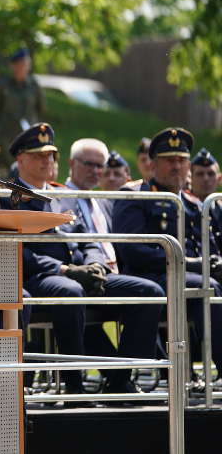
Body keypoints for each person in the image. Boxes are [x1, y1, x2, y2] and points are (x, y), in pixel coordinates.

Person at [0, 124, 163, 402]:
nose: (47, 161)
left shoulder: (62, 194)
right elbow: (15, 251)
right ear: (20, 159)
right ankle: (74, 384)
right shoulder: (7, 199)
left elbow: (87, 239)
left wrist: (95, 264)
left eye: (51, 156)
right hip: (39, 277)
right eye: (38, 155)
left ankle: (119, 379)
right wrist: (65, 270)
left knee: (148, 292)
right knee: (69, 292)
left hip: (81, 272)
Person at [113, 128, 222, 380]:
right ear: (153, 164)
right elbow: (133, 251)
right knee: (210, 286)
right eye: (170, 160)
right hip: (151, 277)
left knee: (211, 282)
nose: (177, 166)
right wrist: (193, 264)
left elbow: (209, 247)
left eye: (182, 160)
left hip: (189, 276)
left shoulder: (194, 203)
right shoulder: (134, 196)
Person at [61, 137, 164, 396]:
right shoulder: (59, 199)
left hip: (114, 276)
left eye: (100, 166)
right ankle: (120, 379)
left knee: (150, 293)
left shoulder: (105, 202)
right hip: (80, 277)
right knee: (146, 292)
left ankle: (123, 376)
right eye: (89, 165)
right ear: (71, 164)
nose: (96, 171)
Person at [0, 48, 45, 172]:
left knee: (30, 161)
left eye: (25, 65)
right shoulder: (3, 84)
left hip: (29, 132)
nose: (22, 68)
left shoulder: (34, 85)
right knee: (10, 164)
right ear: (13, 66)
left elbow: (41, 107)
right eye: (19, 65)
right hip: (7, 132)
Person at [189, 148, 222, 252]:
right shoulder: (183, 209)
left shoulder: (220, 208)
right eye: (200, 174)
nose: (206, 178)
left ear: (219, 179)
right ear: (190, 178)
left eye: (211, 174)